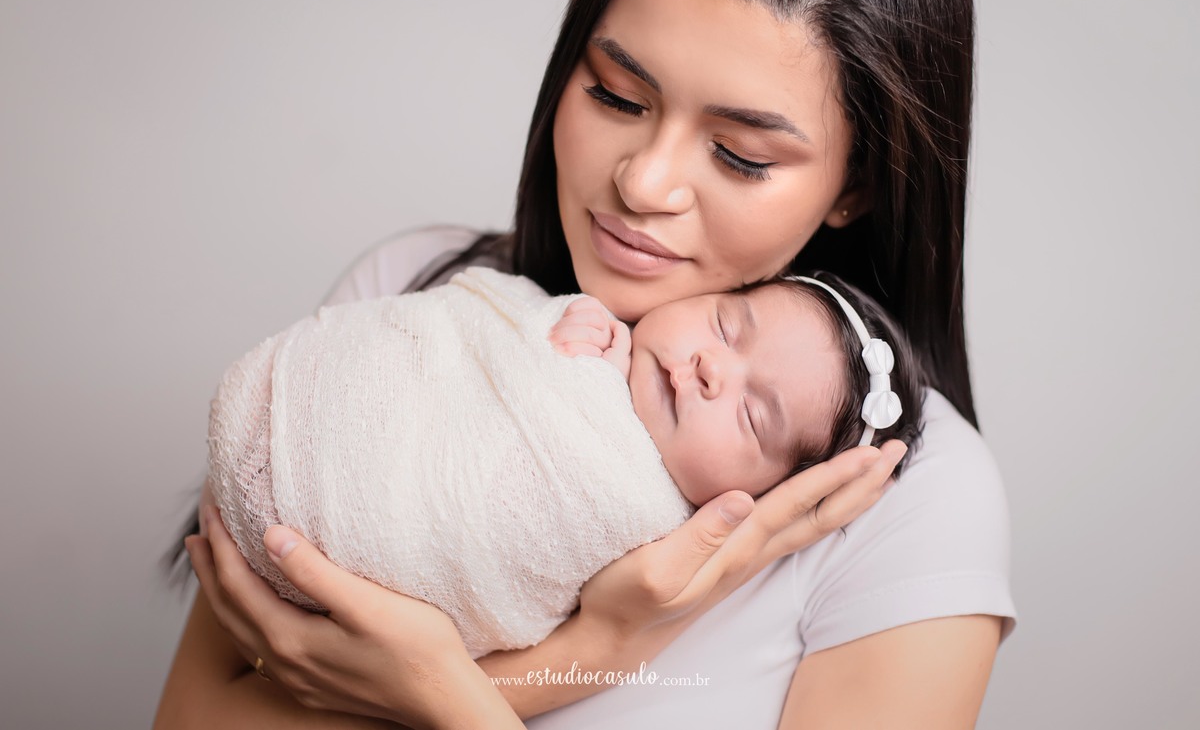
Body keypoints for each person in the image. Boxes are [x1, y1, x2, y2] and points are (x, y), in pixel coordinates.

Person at [156, 0, 1016, 727]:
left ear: (856, 185)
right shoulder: (420, 293)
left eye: (741, 155)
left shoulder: (913, 501)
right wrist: (588, 651)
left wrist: (451, 688)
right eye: (617, 94)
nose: (643, 181)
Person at [208, 265, 925, 659]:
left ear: (767, 499)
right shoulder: (588, 322)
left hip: (349, 536)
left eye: (753, 415)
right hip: (296, 431)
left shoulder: (650, 528)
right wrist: (552, 332)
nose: (711, 367)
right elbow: (467, 342)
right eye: (725, 323)